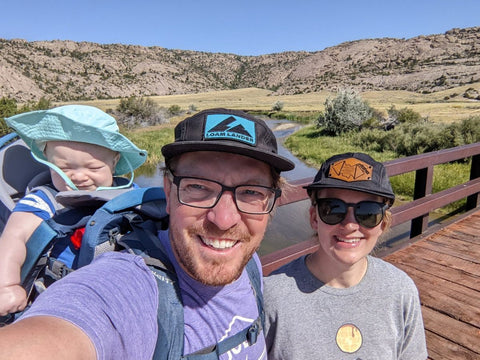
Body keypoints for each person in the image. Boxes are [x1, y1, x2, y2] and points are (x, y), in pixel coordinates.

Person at [0, 108, 294, 359]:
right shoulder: (127, 287)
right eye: (198, 187)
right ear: (168, 192)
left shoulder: (250, 265)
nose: (224, 220)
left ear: (271, 203)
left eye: (251, 192)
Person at [264, 152, 428, 359]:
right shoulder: (273, 295)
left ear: (382, 223)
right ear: (315, 218)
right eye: (333, 209)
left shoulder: (401, 291)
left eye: (367, 212)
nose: (350, 225)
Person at [0, 104, 147, 316]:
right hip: (63, 297)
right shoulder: (44, 201)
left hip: (123, 289)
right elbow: (13, 238)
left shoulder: (129, 192)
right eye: (64, 168)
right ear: (48, 162)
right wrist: (7, 286)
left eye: (94, 168)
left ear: (114, 163)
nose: (78, 177)